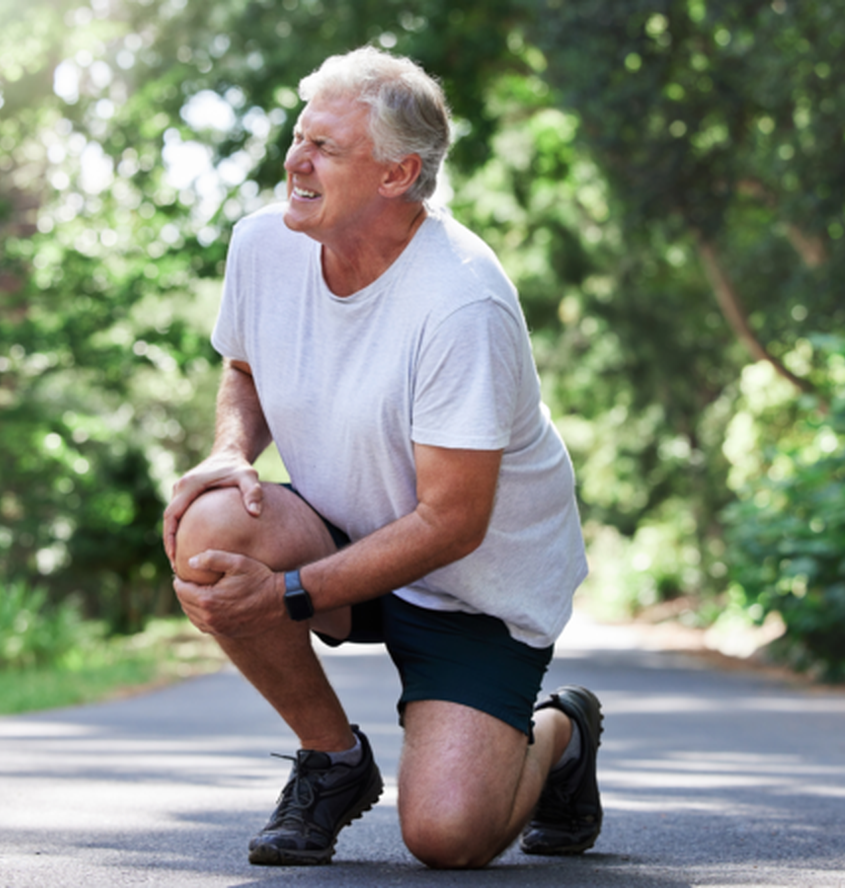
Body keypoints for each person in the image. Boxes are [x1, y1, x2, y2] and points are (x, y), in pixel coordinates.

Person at [163, 46, 602, 870]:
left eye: (324, 148)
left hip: (472, 586)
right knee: (214, 522)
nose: (294, 160)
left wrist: (289, 595)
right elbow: (245, 365)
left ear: (398, 175)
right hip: (344, 529)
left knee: (448, 838)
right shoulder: (263, 244)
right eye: (299, 137)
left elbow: (452, 522)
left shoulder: (462, 302)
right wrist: (229, 452)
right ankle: (331, 761)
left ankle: (559, 733)